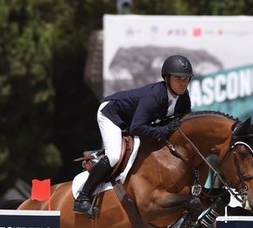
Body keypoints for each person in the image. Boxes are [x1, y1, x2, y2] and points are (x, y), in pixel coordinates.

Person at [73, 54, 193, 216]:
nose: (183, 83)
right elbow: (137, 128)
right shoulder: (155, 96)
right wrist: (164, 130)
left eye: (186, 79)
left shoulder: (184, 99)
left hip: (133, 120)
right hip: (112, 114)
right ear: (167, 78)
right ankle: (83, 198)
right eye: (178, 78)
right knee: (114, 156)